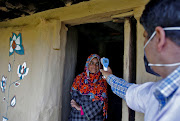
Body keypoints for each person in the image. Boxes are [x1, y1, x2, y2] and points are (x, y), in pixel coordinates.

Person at [100, 0, 180, 121]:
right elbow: (128, 91)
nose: (145, 45)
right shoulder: (158, 92)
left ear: (159, 38)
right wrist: (109, 76)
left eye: (145, 36)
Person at [68, 54, 108, 121]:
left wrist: (81, 108)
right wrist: (85, 108)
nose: (94, 66)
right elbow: (74, 100)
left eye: (97, 64)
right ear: (87, 64)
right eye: (91, 63)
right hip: (78, 117)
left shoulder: (102, 81)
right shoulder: (79, 78)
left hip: (96, 118)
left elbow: (101, 103)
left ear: (99, 66)